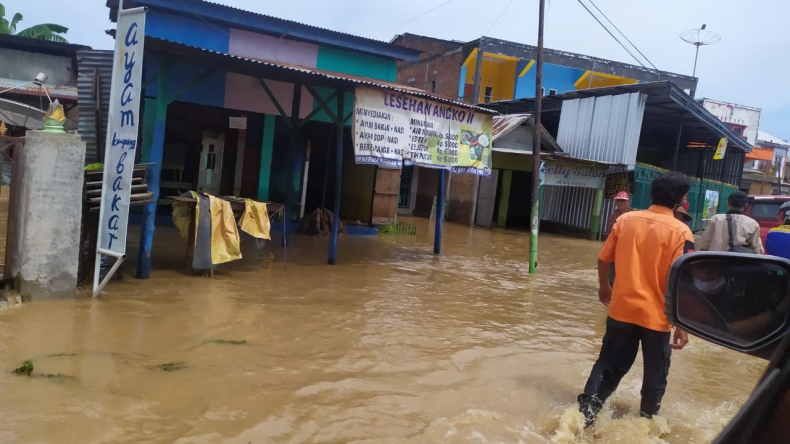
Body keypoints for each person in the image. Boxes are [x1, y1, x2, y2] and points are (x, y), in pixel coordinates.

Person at [578, 172, 694, 427]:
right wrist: (682, 325)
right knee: (655, 374)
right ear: (681, 200)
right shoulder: (682, 232)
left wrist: (604, 286)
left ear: (652, 193)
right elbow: (680, 282)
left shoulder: (626, 220)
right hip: (658, 318)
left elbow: (603, 258)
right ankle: (645, 425)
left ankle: (584, 416)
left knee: (608, 364)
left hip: (621, 310)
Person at [699, 191, 764, 254]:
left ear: (728, 203)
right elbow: (758, 251)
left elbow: (704, 246)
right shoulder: (752, 223)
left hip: (715, 262)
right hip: (738, 263)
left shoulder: (715, 219)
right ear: (746, 205)